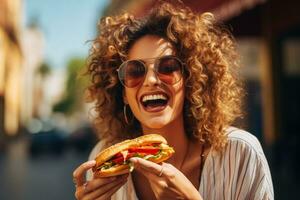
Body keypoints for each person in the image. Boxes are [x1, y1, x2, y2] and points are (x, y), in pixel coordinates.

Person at [73, 1, 274, 200]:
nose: (151, 80)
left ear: (190, 81)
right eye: (134, 71)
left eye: (168, 67)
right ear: (123, 93)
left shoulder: (240, 153)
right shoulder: (104, 162)